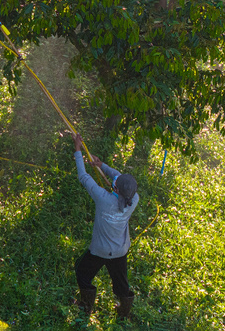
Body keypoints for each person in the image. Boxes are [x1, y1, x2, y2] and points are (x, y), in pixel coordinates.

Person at [70, 131, 139, 319]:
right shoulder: (134, 199)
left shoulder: (103, 199)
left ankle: (85, 306)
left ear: (115, 189)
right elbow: (119, 179)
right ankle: (123, 313)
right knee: (121, 284)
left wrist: (77, 150)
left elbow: (83, 177)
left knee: (82, 272)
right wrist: (102, 166)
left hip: (100, 250)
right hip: (119, 251)